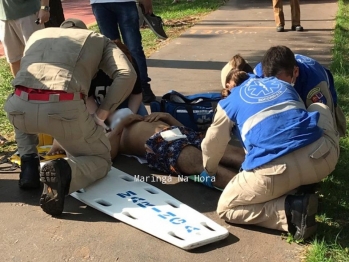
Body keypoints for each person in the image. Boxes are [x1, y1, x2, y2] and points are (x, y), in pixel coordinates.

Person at [4, 18, 137, 216]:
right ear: (82, 30)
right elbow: (127, 74)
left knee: (22, 103)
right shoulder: (97, 38)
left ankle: (29, 165)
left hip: (18, 105)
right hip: (63, 109)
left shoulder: (37, 34)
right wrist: (102, 113)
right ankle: (65, 171)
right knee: (100, 158)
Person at [201, 73, 340, 240]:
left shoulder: (229, 103)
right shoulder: (282, 84)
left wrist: (209, 170)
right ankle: (306, 183)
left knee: (226, 208)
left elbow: (212, 144)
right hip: (322, 159)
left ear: (230, 87)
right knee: (318, 107)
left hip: (276, 173)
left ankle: (291, 211)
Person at [106, 109, 245, 189]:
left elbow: (186, 130)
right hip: (158, 143)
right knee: (198, 161)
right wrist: (121, 125)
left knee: (230, 151)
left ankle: (264, 174)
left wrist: (168, 117)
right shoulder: (108, 132)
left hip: (178, 132)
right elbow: (108, 154)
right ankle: (247, 189)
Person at [254, 45, 346, 137]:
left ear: (295, 72)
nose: (277, 89)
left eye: (282, 84)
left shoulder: (315, 84)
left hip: (314, 96)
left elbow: (324, 122)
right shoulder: (257, 75)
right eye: (271, 84)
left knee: (326, 132)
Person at [91, 0, 157, 103]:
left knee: (134, 49)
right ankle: (117, 89)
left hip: (124, 2)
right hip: (99, 3)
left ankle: (143, 87)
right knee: (110, 50)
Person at [0, 0, 50, 76]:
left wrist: (44, 8)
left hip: (28, 14)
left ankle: (43, 87)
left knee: (38, 57)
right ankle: (20, 87)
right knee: (14, 59)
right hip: (4, 17)